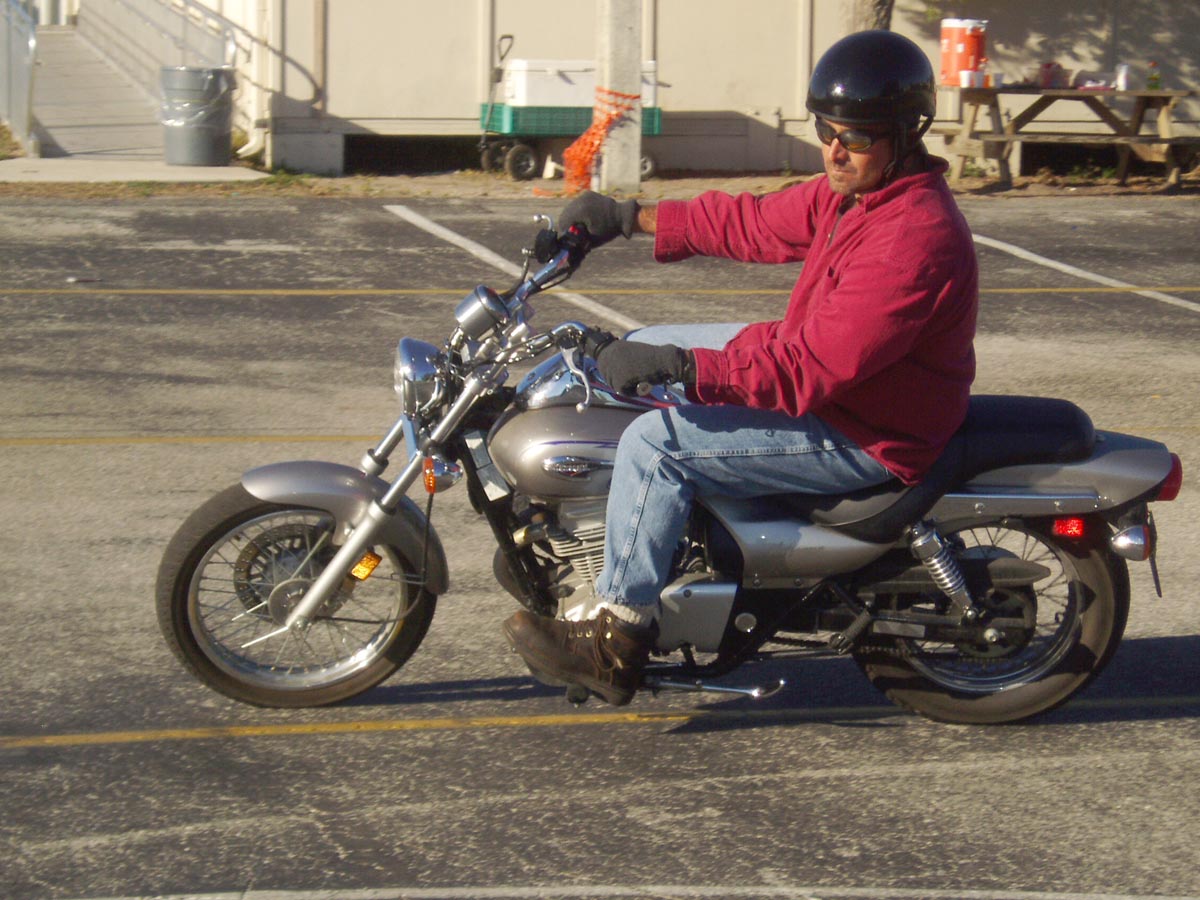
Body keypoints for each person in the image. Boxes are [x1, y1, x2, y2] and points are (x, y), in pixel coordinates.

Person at [503, 30, 979, 705]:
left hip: (864, 430)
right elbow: (754, 222)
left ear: (906, 136)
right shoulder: (857, 194)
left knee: (654, 444)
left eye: (855, 137)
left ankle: (616, 638)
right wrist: (626, 217)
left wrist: (682, 369)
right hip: (835, 381)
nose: (835, 150)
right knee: (647, 344)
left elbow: (806, 371)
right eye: (825, 130)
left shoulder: (913, 238)